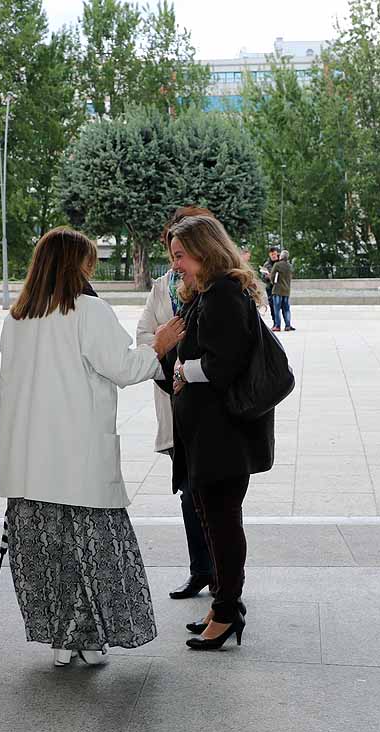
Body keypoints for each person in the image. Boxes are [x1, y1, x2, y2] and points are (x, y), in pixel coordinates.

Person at [0, 226, 184, 668]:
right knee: (91, 552)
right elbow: (122, 368)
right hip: (77, 459)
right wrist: (158, 346)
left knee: (50, 554)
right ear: (78, 265)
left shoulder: (16, 319)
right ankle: (90, 636)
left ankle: (61, 640)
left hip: (27, 462)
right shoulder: (88, 310)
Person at [159, 214, 275, 650]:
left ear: (204, 251)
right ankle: (224, 604)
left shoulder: (224, 292)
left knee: (223, 524)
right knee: (213, 520)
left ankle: (227, 611)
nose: (176, 266)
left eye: (180, 256)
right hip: (207, 434)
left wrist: (183, 368)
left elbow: (223, 365)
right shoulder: (208, 292)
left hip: (222, 436)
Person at [137, 206, 216, 601]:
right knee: (189, 494)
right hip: (174, 407)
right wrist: (162, 344)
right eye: (172, 247)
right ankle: (202, 569)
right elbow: (143, 336)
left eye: (181, 248)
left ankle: (220, 578)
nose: (175, 258)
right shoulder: (161, 286)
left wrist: (174, 350)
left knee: (207, 497)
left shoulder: (217, 287)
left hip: (210, 412)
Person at [270, 249, 295, 331]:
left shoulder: (277, 265)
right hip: (287, 290)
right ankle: (288, 325)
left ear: (281, 256)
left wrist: (273, 282)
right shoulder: (290, 266)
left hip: (277, 290)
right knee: (286, 309)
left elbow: (272, 277)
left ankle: (277, 326)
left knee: (277, 309)